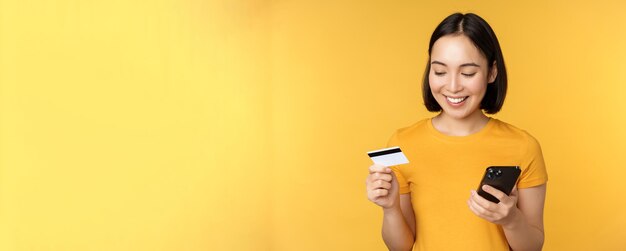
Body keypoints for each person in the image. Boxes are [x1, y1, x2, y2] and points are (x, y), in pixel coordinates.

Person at [365, 13, 548, 251]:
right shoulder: (402, 144)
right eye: (440, 71)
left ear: (492, 72)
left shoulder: (523, 146)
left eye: (468, 73)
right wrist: (389, 208)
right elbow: (401, 248)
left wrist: (510, 219)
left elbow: (533, 247)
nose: (452, 86)